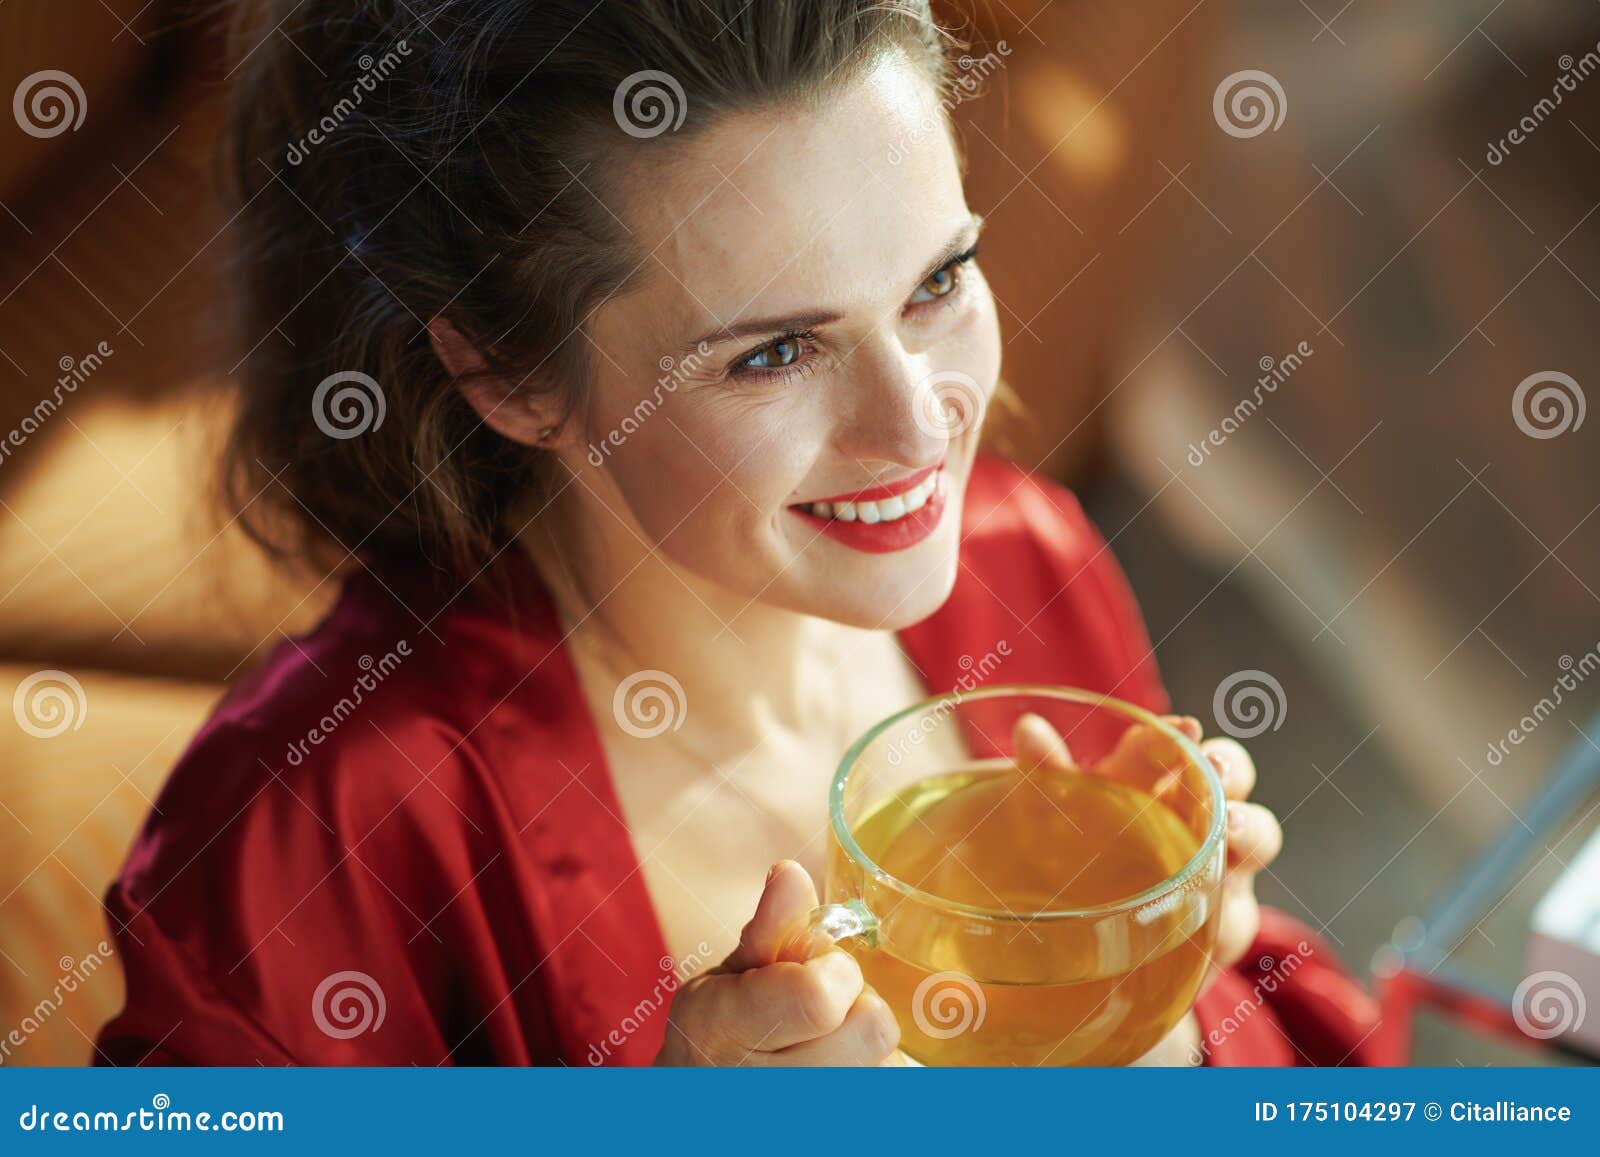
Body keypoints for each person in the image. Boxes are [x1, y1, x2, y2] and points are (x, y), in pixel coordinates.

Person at [97, 0, 1378, 1066]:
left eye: (937, 279)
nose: (918, 420)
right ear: (507, 374)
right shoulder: (308, 834)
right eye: (774, 352)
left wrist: (1176, 1023)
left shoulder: (1019, 552)